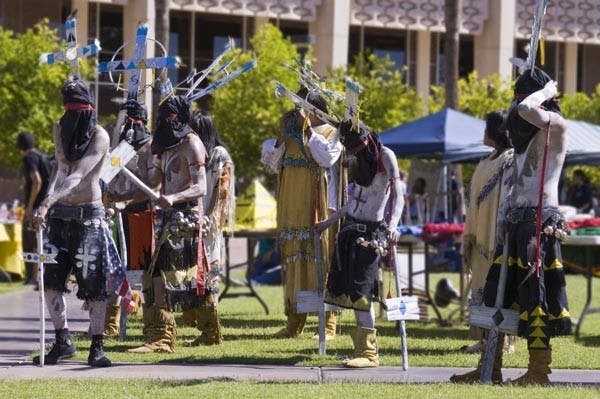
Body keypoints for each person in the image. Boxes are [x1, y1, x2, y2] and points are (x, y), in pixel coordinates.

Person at [452, 68, 571, 385]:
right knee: (495, 293)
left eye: (523, 97)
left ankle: (538, 371)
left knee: (536, 296)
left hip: (539, 221)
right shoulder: (523, 142)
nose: (515, 111)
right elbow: (516, 184)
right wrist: (504, 215)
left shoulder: (555, 126)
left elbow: (525, 110)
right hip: (515, 222)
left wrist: (544, 91)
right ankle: (489, 365)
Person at [32, 76, 132, 367]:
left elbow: (78, 177)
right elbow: (60, 171)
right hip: (59, 218)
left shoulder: (100, 136)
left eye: (77, 112)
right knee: (50, 281)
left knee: (94, 285)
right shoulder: (59, 129)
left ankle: (97, 347)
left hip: (88, 218)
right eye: (69, 112)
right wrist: (47, 204)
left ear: (88, 111)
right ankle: (62, 339)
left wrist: (47, 202)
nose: (71, 118)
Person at [315, 120, 404, 368]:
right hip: (349, 231)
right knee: (351, 292)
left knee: (362, 291)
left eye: (355, 147)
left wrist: (393, 225)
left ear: (366, 140)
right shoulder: (356, 159)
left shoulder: (386, 156)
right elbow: (353, 201)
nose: (353, 153)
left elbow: (398, 195)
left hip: (370, 234)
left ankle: (369, 353)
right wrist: (328, 222)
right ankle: (361, 349)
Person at [128, 95, 208, 353]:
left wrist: (173, 197)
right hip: (164, 220)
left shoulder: (192, 144)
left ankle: (166, 338)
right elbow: (151, 185)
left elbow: (201, 186)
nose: (164, 123)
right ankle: (162, 335)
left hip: (186, 219)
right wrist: (123, 198)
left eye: (169, 118)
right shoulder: (164, 148)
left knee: (176, 277)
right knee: (156, 275)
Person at [262, 89, 342, 339]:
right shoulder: (291, 133)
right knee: (294, 259)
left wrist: (308, 130)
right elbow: (271, 164)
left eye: (302, 107)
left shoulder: (332, 132)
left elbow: (326, 158)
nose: (297, 112)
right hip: (291, 206)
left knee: (322, 260)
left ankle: (328, 323)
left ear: (314, 109)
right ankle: (294, 321)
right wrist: (281, 137)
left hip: (318, 207)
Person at [459, 111, 515, 355]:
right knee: (481, 289)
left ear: (496, 132)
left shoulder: (510, 160)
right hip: (480, 240)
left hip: (497, 238)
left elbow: (507, 198)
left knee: (500, 290)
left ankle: (503, 341)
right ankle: (484, 339)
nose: (483, 133)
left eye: (487, 128)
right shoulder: (486, 160)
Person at [180, 111, 234, 346]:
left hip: (209, 224)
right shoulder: (193, 152)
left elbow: (223, 190)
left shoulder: (218, 155)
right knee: (191, 271)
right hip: (193, 220)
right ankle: (194, 319)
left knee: (208, 271)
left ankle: (210, 330)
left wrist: (211, 217)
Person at [103, 99, 155, 337]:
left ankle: (153, 325)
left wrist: (125, 198)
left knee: (145, 272)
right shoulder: (120, 147)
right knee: (113, 268)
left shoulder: (151, 147)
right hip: (117, 216)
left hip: (143, 216)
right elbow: (109, 177)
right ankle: (111, 325)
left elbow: (152, 186)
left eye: (132, 121)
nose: (128, 126)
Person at [17, 131, 52, 286]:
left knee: (31, 240)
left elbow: (36, 181)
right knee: (39, 241)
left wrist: (30, 206)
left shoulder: (29, 158)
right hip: (46, 205)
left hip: (36, 207)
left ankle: (34, 278)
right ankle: (36, 277)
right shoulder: (41, 156)